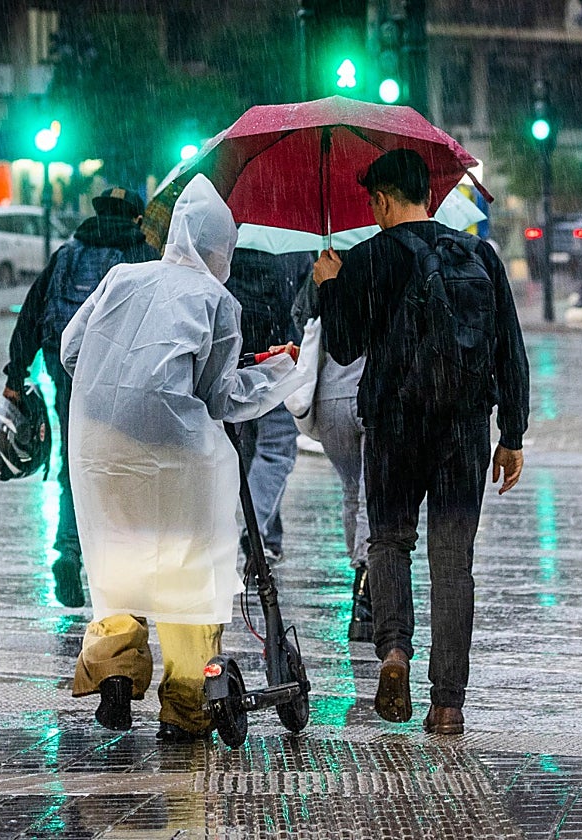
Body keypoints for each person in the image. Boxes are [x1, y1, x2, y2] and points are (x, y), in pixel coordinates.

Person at [59, 175, 301, 741]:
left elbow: (73, 349)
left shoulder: (121, 277)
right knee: (185, 572)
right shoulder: (219, 301)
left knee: (119, 559)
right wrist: (278, 371)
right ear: (221, 247)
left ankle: (115, 670)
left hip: (101, 447)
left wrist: (116, 388)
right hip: (175, 454)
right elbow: (222, 398)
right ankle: (186, 705)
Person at [313, 149, 530, 735]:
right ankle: (448, 703)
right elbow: (510, 346)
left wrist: (331, 285)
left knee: (388, 544)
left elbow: (343, 345)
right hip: (463, 430)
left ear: (382, 200)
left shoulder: (369, 257)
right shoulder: (478, 253)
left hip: (392, 426)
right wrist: (512, 434)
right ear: (427, 197)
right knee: (453, 563)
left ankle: (394, 652)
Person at [2, 187, 159, 607]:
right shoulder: (143, 257)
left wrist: (15, 373)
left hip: (68, 370)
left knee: (76, 460)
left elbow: (33, 313)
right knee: (121, 465)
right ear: (136, 218)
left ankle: (68, 550)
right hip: (121, 377)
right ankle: (115, 562)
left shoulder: (68, 254)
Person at [291, 277, 372, 642]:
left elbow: (301, 316)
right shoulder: (385, 263)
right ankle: (366, 588)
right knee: (374, 493)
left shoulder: (326, 267)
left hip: (331, 397)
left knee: (352, 489)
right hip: (372, 393)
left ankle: (361, 575)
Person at [225, 248, 312, 564]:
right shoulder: (295, 248)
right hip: (279, 356)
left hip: (238, 357)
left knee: (247, 446)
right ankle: (256, 529)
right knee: (277, 449)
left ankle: (269, 539)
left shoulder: (234, 243)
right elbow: (304, 310)